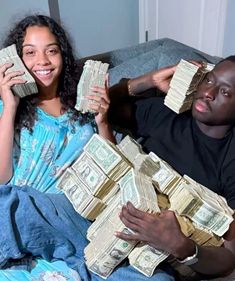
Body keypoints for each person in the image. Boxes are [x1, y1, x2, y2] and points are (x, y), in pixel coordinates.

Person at [0, 14, 176, 281]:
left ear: (63, 55)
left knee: (159, 278)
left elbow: (113, 175)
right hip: (19, 217)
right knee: (10, 205)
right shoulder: (8, 109)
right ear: (17, 59)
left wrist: (102, 120)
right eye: (30, 53)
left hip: (67, 223)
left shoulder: (83, 107)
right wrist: (10, 106)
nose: (43, 61)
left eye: (52, 51)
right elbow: (2, 180)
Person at [108, 58, 235, 279]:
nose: (208, 92)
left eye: (225, 92)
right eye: (209, 80)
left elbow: (229, 261)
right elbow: (100, 107)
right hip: (105, 217)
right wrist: (149, 80)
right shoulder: (165, 113)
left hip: (155, 262)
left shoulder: (231, 161)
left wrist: (181, 246)